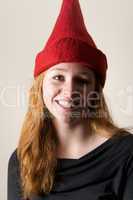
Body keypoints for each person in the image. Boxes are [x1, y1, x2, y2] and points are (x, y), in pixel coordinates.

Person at [7, 0, 133, 200]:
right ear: (41, 86)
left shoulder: (127, 154)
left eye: (82, 80)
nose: (70, 91)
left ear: (95, 91)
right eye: (58, 77)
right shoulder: (21, 160)